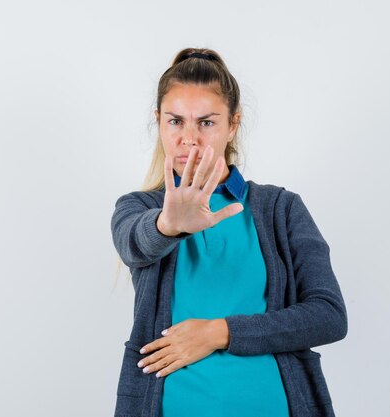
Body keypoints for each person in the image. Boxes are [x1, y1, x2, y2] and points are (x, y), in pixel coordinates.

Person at [110, 48, 348, 417]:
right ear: (158, 121)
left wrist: (220, 332)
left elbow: (328, 315)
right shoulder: (138, 208)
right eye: (175, 121)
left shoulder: (281, 209)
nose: (189, 139)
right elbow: (134, 244)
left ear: (232, 124)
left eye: (206, 122)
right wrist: (168, 225)